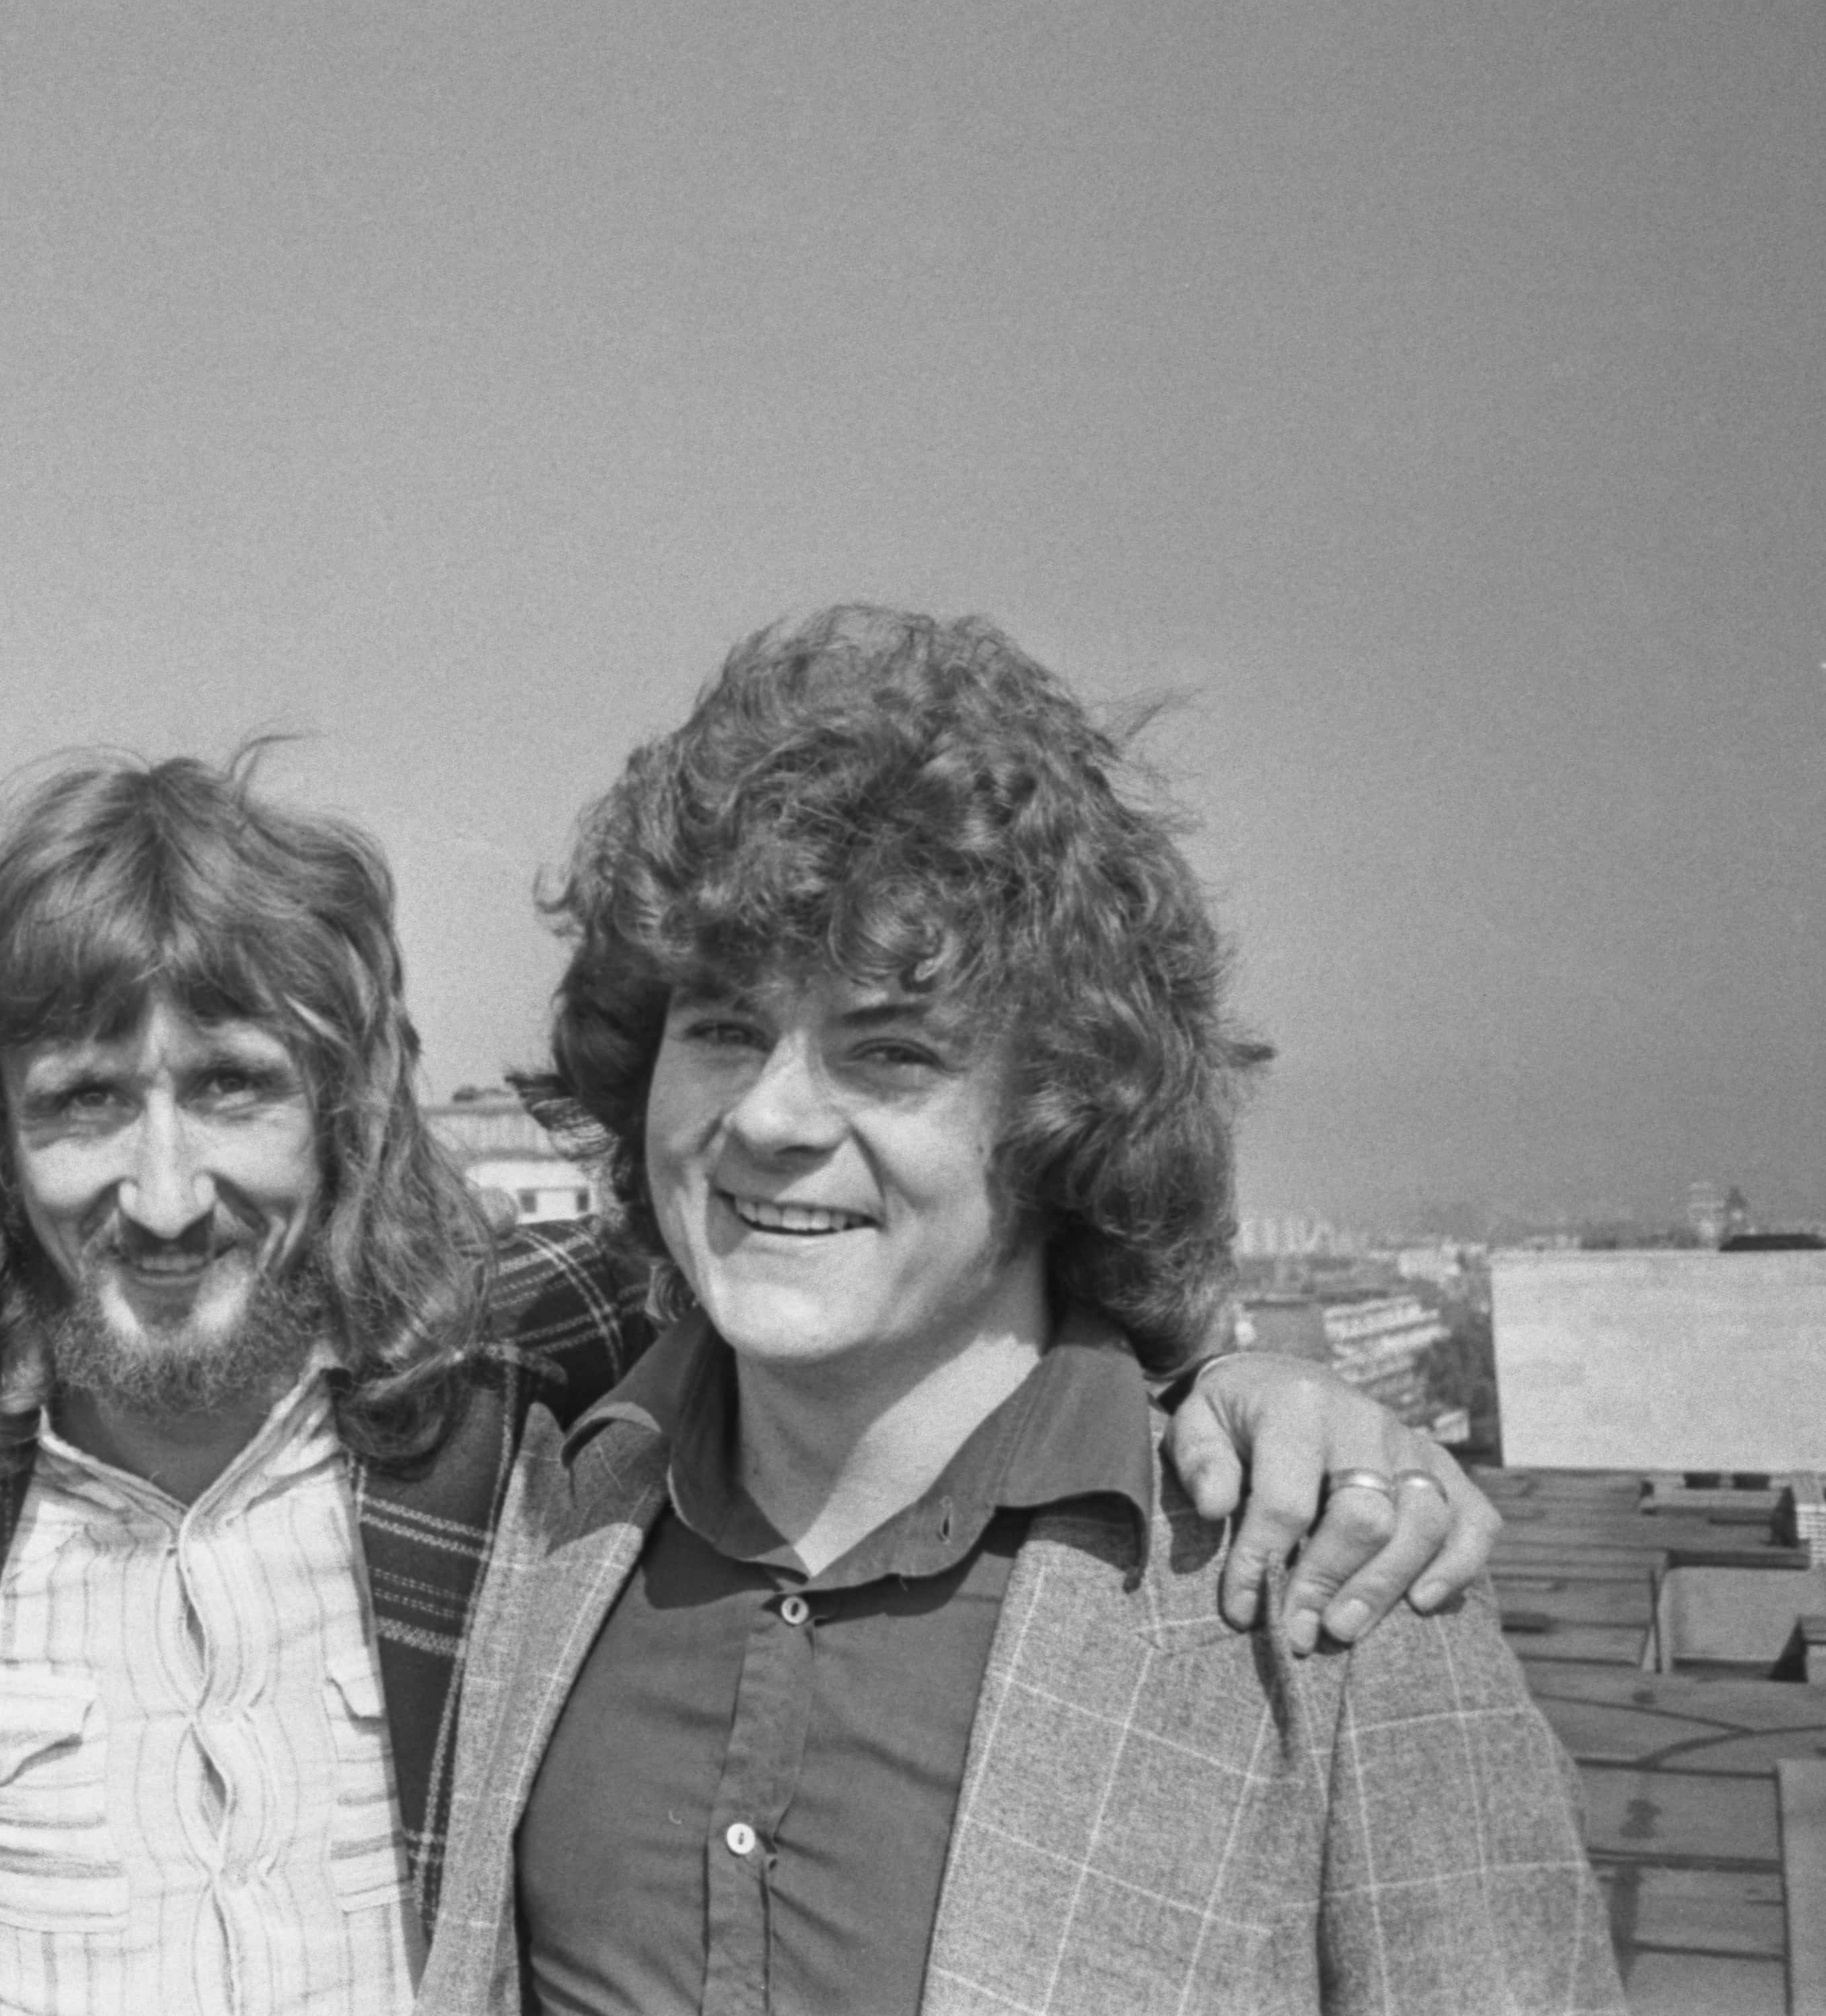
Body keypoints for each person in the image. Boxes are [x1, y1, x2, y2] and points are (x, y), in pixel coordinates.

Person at [0, 749, 1504, 2016]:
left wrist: (1233, 1378)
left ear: (344, 1122)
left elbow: (860, 1271)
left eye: (234, 1089)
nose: (164, 1194)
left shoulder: (482, 1421)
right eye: (83, 1103)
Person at [416, 608, 1618, 2016]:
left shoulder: (1333, 1600)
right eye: (726, 1031)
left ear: (1059, 1115)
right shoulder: (538, 1531)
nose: (771, 1118)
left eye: (889, 1050)